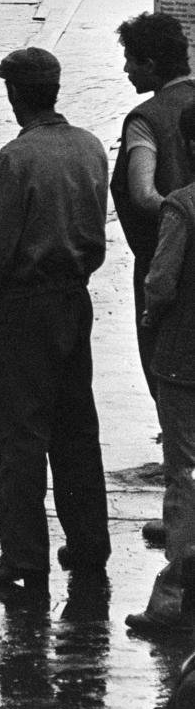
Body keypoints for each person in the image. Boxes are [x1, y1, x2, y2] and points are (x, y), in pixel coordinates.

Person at [0, 47, 111, 592]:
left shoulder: (16, 158)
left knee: (20, 434)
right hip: (76, 298)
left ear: (14, 95)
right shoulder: (90, 147)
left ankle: (24, 556)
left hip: (27, 306)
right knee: (77, 427)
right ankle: (89, 543)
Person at [126, 103, 195, 637]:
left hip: (183, 360)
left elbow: (161, 281)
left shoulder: (183, 207)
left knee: (186, 476)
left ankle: (174, 597)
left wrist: (152, 314)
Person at [110, 12, 195, 398]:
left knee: (166, 359)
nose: (127, 69)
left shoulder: (145, 119)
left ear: (151, 64)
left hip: (166, 258)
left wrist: (181, 217)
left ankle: (176, 452)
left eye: (131, 60)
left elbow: (142, 194)